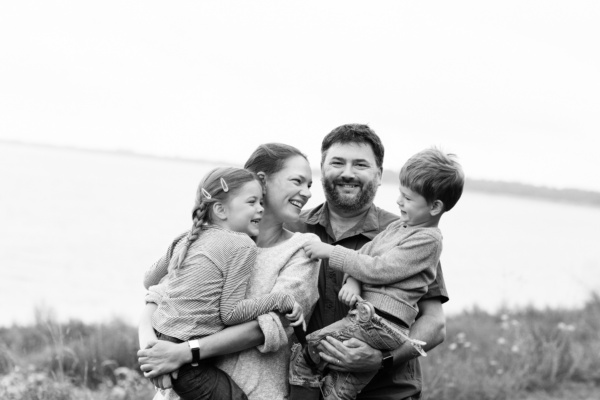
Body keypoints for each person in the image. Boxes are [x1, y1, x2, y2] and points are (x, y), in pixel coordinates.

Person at [138, 143, 321, 400]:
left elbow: (267, 327)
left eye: (310, 185)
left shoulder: (302, 249)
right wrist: (152, 353)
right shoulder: (208, 240)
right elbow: (157, 297)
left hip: (252, 391)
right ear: (261, 181)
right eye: (297, 181)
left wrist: (180, 353)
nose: (307, 193)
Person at [285, 124, 450, 400]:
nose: (347, 173)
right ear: (322, 168)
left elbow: (435, 324)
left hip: (388, 392)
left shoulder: (410, 234)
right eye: (337, 162)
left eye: (360, 164)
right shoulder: (292, 229)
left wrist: (383, 358)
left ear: (379, 175)